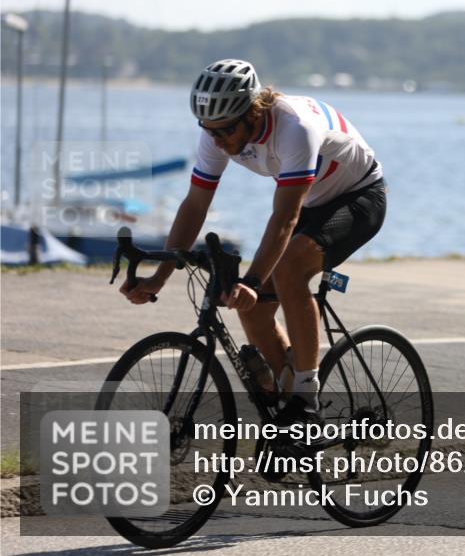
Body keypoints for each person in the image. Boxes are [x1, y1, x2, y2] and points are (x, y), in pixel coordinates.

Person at [120, 59, 385, 424]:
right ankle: (289, 409)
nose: (218, 141)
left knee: (289, 268)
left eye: (226, 131)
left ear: (253, 112)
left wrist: (254, 280)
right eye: (209, 131)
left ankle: (307, 400)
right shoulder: (217, 131)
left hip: (358, 197)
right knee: (252, 308)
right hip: (311, 202)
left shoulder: (294, 128)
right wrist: (159, 276)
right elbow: (195, 205)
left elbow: (285, 218)